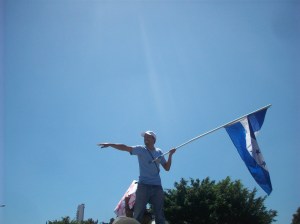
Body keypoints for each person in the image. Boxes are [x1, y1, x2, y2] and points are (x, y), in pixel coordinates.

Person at [98, 130, 176, 224]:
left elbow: (167, 168)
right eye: (144, 137)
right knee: (138, 213)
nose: (145, 138)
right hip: (143, 186)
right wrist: (110, 144)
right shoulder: (141, 149)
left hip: (157, 187)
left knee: (160, 214)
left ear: (153, 139)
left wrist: (170, 155)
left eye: (148, 137)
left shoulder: (159, 152)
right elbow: (126, 147)